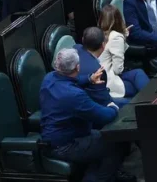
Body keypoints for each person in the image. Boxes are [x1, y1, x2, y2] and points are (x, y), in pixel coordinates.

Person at [39, 49, 134, 182]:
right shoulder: (74, 95)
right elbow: (104, 116)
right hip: (66, 145)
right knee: (115, 144)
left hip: (56, 138)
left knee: (108, 138)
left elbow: (71, 80)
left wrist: (89, 78)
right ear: (78, 67)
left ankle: (109, 174)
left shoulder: (49, 78)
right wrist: (113, 106)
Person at [98, 5, 150, 101]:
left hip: (101, 78)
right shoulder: (116, 37)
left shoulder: (100, 34)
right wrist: (121, 37)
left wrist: (123, 35)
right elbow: (118, 69)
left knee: (137, 75)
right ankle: (153, 101)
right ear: (118, 19)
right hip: (109, 80)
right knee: (138, 75)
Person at [74, 27, 119, 109]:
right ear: (103, 45)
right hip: (91, 108)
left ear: (83, 40)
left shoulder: (75, 48)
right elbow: (105, 101)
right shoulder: (97, 71)